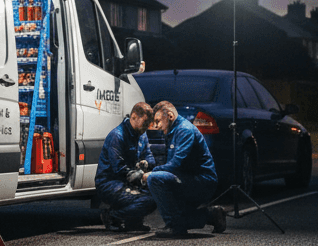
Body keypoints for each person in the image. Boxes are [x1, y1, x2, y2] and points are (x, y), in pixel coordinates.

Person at [141, 100, 226, 238]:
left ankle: (175, 227)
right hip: (189, 178)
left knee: (155, 179)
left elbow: (175, 165)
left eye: (158, 121)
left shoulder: (184, 130)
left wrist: (152, 172)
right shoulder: (172, 130)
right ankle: (211, 215)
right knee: (179, 215)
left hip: (202, 182)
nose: (157, 126)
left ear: (169, 115)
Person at [95, 101, 157, 231]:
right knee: (146, 200)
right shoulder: (117, 136)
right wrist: (140, 175)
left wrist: (146, 163)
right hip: (110, 182)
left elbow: (149, 156)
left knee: (157, 194)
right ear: (133, 117)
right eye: (145, 122)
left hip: (129, 180)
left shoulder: (142, 134)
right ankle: (113, 216)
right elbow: (119, 169)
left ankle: (133, 222)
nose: (147, 127)